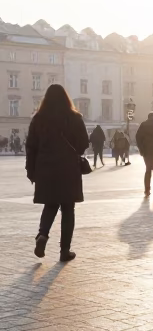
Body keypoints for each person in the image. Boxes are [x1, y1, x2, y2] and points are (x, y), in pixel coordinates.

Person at [25, 84, 90, 262]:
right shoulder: (74, 117)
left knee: (51, 204)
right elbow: (84, 142)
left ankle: (42, 235)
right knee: (68, 208)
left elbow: (31, 147)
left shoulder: (38, 119)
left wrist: (31, 170)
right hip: (68, 168)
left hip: (45, 167)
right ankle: (64, 250)